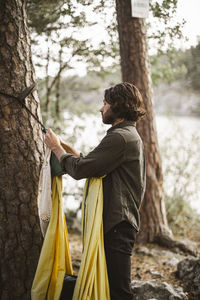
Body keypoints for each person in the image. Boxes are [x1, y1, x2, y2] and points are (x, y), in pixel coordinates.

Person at [45, 82, 146, 300]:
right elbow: (92, 164)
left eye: (105, 103)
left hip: (118, 226)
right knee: (111, 289)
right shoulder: (125, 135)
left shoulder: (120, 137)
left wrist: (55, 148)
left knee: (119, 291)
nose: (101, 108)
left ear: (117, 105)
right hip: (118, 224)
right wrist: (64, 146)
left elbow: (82, 169)